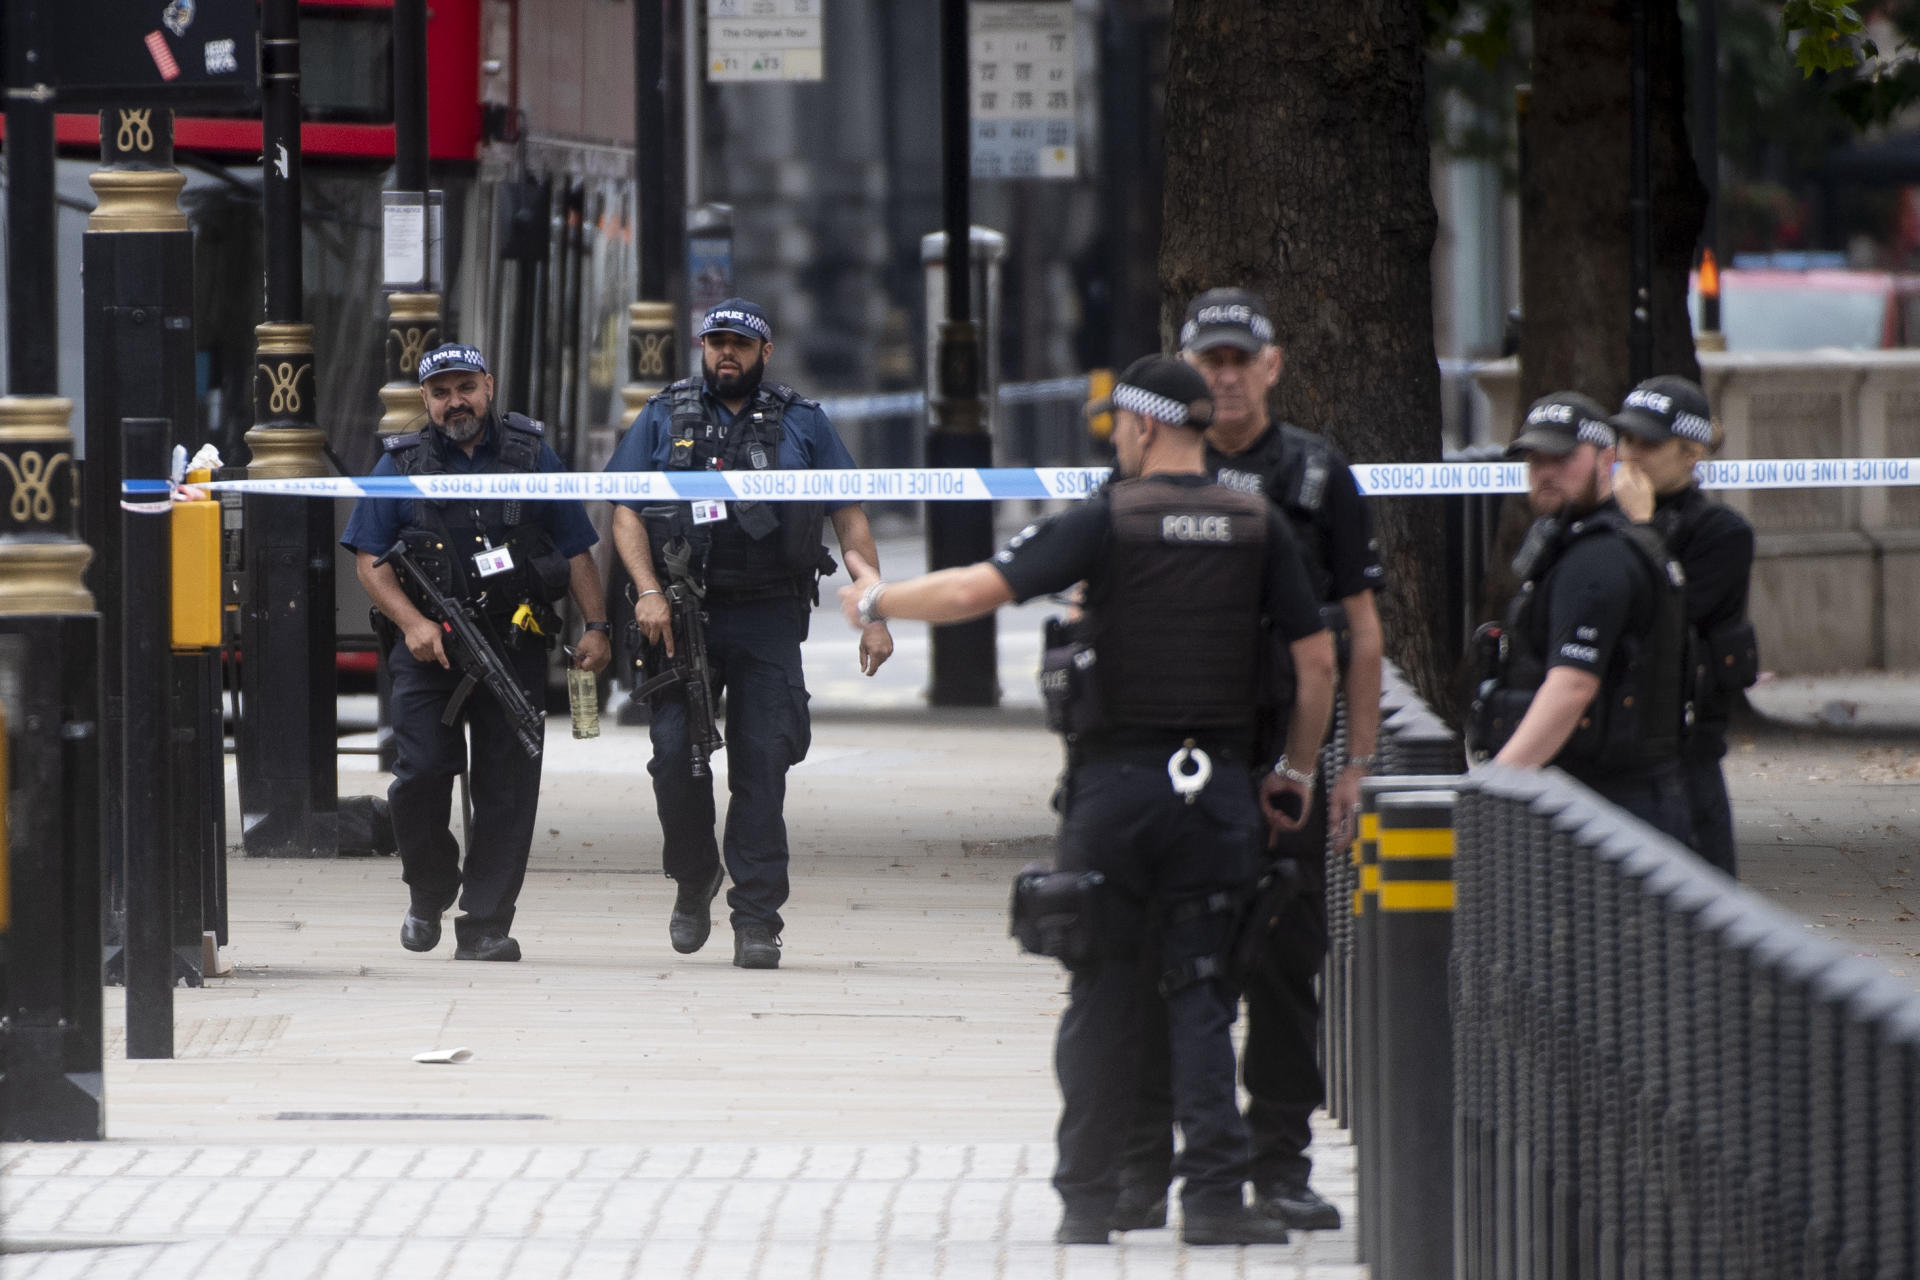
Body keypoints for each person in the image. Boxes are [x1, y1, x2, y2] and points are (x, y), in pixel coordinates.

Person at [836, 355, 1337, 1246]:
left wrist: (877, 594)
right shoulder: (1259, 523)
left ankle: (1087, 1207)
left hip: (1116, 791)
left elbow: (974, 589)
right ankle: (1217, 1205)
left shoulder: (1108, 520)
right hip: (1218, 789)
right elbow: (1316, 662)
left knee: (1103, 995)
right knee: (1203, 994)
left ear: (1140, 426)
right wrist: (1293, 777)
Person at [1110, 288, 1386, 1233]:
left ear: (1272, 365)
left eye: (1240, 359)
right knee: (1155, 965)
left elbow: (1359, 629)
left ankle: (1279, 1167)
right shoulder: (1140, 467)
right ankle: (1145, 1170)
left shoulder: (1314, 474)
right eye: (1209, 361)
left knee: (1282, 964)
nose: (1225, 377)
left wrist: (1350, 765)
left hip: (1280, 758)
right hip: (1173, 752)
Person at [606, 298, 892, 970]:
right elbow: (623, 510)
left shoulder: (803, 422)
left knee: (762, 765)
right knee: (675, 760)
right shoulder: (662, 414)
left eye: (739, 343)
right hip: (680, 613)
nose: (724, 353)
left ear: (765, 353)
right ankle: (693, 876)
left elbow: (848, 517)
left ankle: (758, 917)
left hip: (766, 615)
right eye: (715, 342)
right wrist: (647, 591)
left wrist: (874, 609)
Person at [342, 342, 610, 961]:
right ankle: (429, 886)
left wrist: (596, 624)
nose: (454, 402)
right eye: (440, 393)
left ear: (488, 386)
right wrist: (411, 624)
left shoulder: (531, 455)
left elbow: (574, 548)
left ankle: (487, 923)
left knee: (508, 788)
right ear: (425, 401)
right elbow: (369, 560)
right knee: (420, 777)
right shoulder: (401, 462)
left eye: (465, 388)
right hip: (430, 648)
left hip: (513, 643)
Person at [1471, 391, 1691, 842]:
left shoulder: (1597, 558)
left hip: (1607, 803)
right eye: (1534, 460)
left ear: (1607, 458)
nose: (1546, 472)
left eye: (1563, 458)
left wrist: (1496, 784)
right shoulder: (1583, 541)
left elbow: (1572, 686)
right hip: (1610, 794)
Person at [1611, 375, 1755, 875]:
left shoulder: (1721, 533)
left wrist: (1643, 529)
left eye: (1648, 444)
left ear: (1690, 454)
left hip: (1683, 759)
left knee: (1700, 926)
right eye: (1625, 439)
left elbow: (1663, 619)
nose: (1630, 455)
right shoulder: (1602, 522)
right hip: (1610, 750)